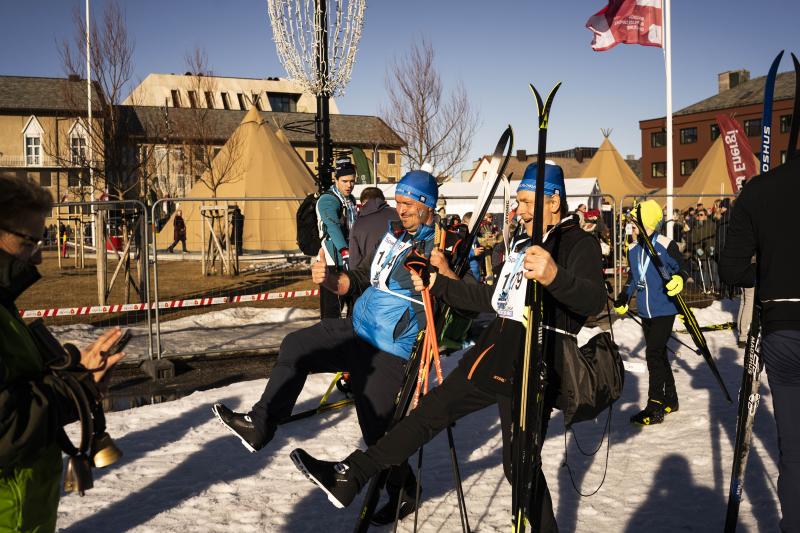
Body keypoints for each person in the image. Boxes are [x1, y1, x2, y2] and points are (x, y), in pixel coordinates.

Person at [290, 162, 606, 532]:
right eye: (519, 201)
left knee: (519, 465)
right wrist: (436, 282)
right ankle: (352, 475)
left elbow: (592, 300)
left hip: (535, 360)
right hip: (495, 352)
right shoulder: (524, 243)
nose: (518, 210)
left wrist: (554, 276)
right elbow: (492, 298)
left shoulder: (577, 243)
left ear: (553, 201)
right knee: (428, 415)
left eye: (524, 202)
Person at [213, 170, 444, 524]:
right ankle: (260, 424)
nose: (401, 210)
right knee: (297, 345)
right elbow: (362, 277)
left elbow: (451, 298)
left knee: (378, 433)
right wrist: (333, 278)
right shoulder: (393, 234)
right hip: (356, 329)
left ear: (427, 205)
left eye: (408, 204)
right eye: (398, 202)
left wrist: (437, 275)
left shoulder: (437, 246)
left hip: (390, 350)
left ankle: (404, 491)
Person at [0, 176, 125, 531]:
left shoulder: (3, 304)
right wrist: (78, 388)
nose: (40, 255)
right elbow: (6, 426)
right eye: (29, 241)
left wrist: (75, 370)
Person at [719, 157, 800, 532]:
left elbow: (732, 269)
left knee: (794, 451)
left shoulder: (760, 189)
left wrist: (770, 271)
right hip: (782, 325)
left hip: (782, 324)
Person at [614, 199, 690, 425]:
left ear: (646, 223)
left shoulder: (665, 245)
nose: (632, 229)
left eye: (635, 225)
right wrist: (623, 297)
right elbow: (632, 279)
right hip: (646, 311)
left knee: (653, 355)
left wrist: (679, 279)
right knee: (659, 355)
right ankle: (671, 399)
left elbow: (683, 268)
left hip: (664, 309)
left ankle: (655, 406)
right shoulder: (634, 249)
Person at [316, 156, 357, 319]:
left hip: (349, 261)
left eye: (352, 181)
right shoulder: (328, 200)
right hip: (332, 262)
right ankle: (331, 343)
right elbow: (332, 226)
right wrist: (345, 251)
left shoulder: (350, 199)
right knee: (332, 313)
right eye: (345, 181)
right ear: (336, 180)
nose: (349, 185)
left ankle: (350, 342)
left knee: (354, 309)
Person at [348, 187, 398, 270]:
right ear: (382, 200)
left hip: (370, 276)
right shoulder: (398, 214)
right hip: (398, 273)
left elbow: (354, 263)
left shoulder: (357, 224)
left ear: (363, 203)